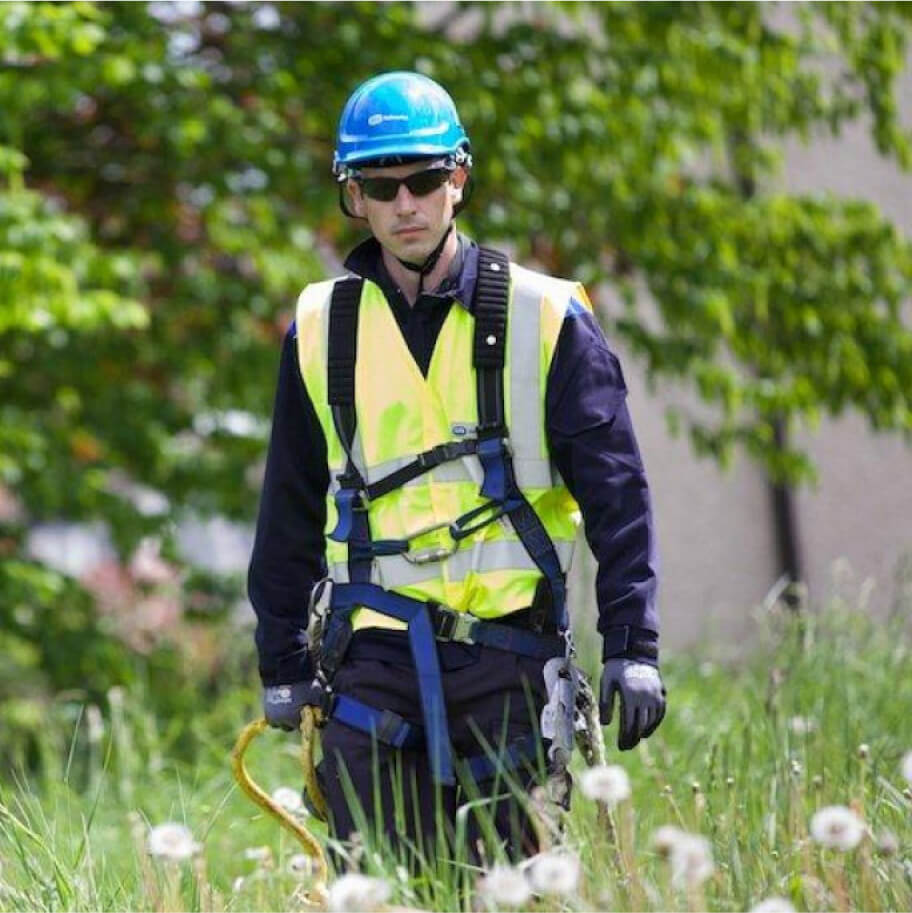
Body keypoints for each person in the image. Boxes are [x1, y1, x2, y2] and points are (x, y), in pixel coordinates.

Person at [248, 71, 665, 867]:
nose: (405, 203)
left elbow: (619, 497)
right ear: (354, 196)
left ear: (459, 178)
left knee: (513, 886)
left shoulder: (548, 318)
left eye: (425, 178)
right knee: (375, 888)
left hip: (510, 659)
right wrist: (282, 662)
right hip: (368, 663)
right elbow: (289, 505)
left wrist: (632, 644)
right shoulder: (318, 326)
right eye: (382, 183)